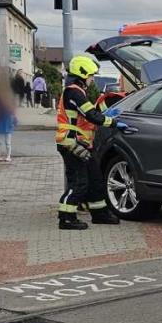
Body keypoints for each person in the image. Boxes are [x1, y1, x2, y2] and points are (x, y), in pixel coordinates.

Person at [55, 54, 118, 230]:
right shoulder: (73, 92)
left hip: (80, 143)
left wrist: (104, 116)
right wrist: (112, 122)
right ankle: (66, 217)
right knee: (79, 182)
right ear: (83, 74)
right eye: (91, 76)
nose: (92, 79)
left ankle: (100, 214)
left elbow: (88, 116)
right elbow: (91, 115)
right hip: (71, 143)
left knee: (95, 179)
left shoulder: (78, 92)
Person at [0, 97, 17, 164]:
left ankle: (7, 156)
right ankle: (1, 156)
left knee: (5, 143)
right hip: (4, 128)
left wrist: (13, 124)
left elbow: (14, 119)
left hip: (6, 128)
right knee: (2, 143)